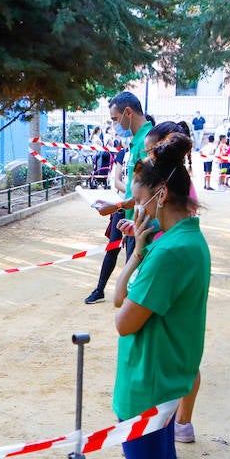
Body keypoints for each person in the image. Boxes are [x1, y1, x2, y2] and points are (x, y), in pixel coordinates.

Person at [90, 133, 211, 459]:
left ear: (159, 195)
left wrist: (142, 254)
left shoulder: (170, 253)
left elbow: (121, 319)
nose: (134, 209)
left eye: (138, 199)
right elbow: (120, 297)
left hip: (149, 382)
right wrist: (135, 248)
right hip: (166, 376)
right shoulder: (184, 240)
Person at [85, 92, 155, 304]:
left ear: (128, 113)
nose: (115, 124)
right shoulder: (137, 142)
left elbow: (149, 191)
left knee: (134, 287)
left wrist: (117, 205)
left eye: (115, 119)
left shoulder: (147, 141)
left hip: (141, 220)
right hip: (131, 216)